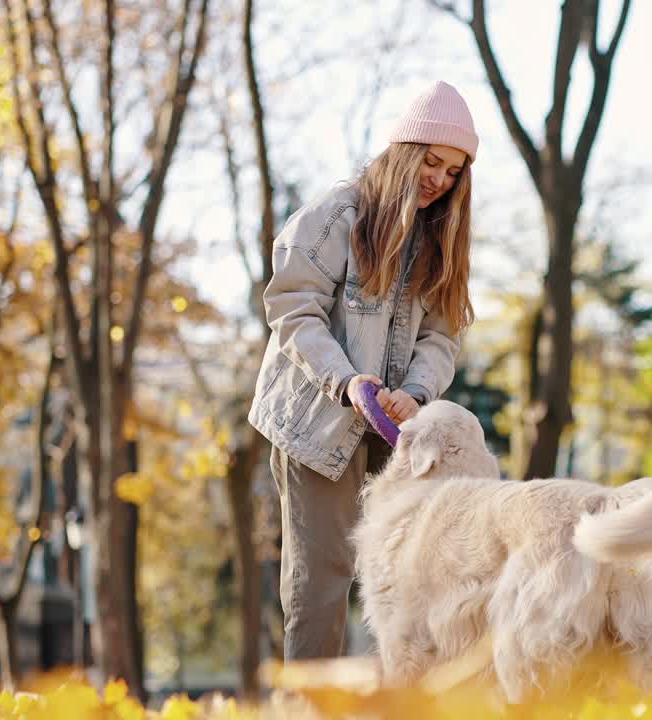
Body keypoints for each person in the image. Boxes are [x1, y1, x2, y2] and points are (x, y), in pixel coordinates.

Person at [247, 80, 479, 661]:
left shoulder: (440, 236)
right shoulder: (336, 215)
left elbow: (442, 334)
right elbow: (292, 308)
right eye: (431, 161)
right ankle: (310, 705)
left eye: (453, 171)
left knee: (411, 572)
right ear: (404, 151)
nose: (440, 180)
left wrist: (417, 393)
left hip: (395, 431)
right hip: (317, 424)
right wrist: (347, 380)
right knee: (322, 577)